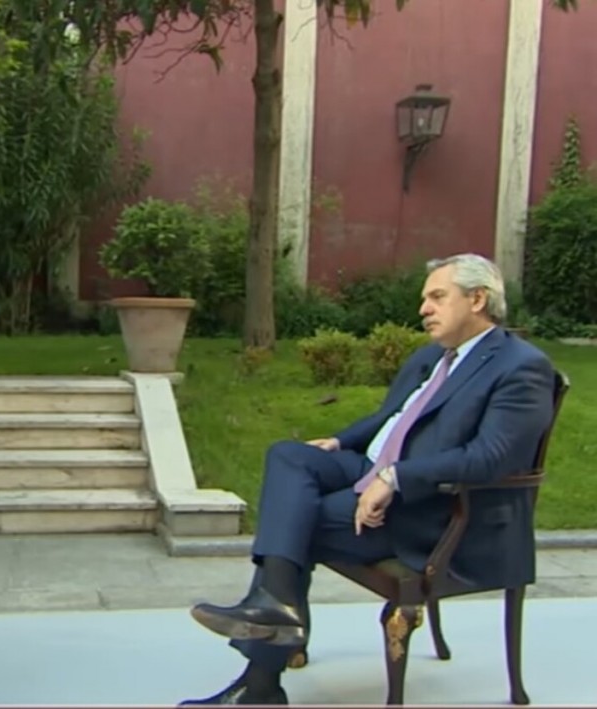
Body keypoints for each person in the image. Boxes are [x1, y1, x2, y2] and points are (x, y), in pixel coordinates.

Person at [182, 253, 556, 706]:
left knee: (298, 519)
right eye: (425, 299)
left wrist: (396, 477)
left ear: (478, 299)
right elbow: (391, 417)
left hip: (432, 508)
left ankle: (261, 679)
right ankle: (277, 607)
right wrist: (340, 442)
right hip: (373, 468)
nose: (423, 309)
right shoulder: (433, 357)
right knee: (288, 456)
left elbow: (490, 458)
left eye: (437, 297)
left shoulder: (520, 367)